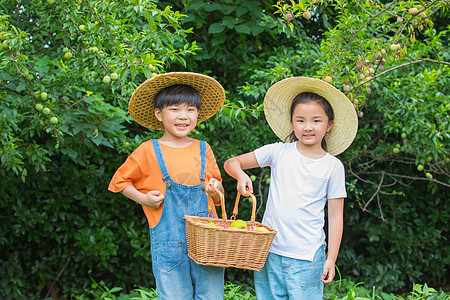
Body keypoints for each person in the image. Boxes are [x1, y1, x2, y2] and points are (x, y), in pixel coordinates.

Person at [224, 77, 358, 299]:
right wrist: (240, 175)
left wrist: (331, 258)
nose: (308, 127)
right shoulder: (278, 152)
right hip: (269, 252)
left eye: (316, 121)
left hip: (307, 256)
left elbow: (335, 217)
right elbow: (231, 163)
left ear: (329, 125)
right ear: (292, 123)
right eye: (300, 120)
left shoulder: (333, 166)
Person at [108, 72, 226, 300]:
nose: (183, 116)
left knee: (211, 295)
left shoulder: (203, 148)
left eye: (190, 110)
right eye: (175, 109)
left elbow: (218, 192)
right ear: (159, 114)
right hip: (168, 240)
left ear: (198, 115)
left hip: (207, 240)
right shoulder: (148, 150)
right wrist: (143, 199)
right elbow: (120, 181)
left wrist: (215, 191)